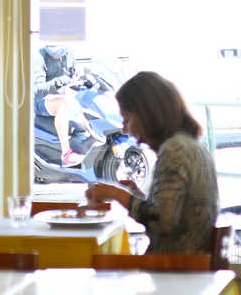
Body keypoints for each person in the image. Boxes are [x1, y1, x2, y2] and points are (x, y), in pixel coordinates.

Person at [86, 69, 218, 255]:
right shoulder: (192, 146)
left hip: (173, 265)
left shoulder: (174, 151)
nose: (125, 130)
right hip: (190, 261)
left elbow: (162, 221)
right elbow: (175, 213)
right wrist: (137, 196)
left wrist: (116, 194)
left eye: (127, 120)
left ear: (146, 115)